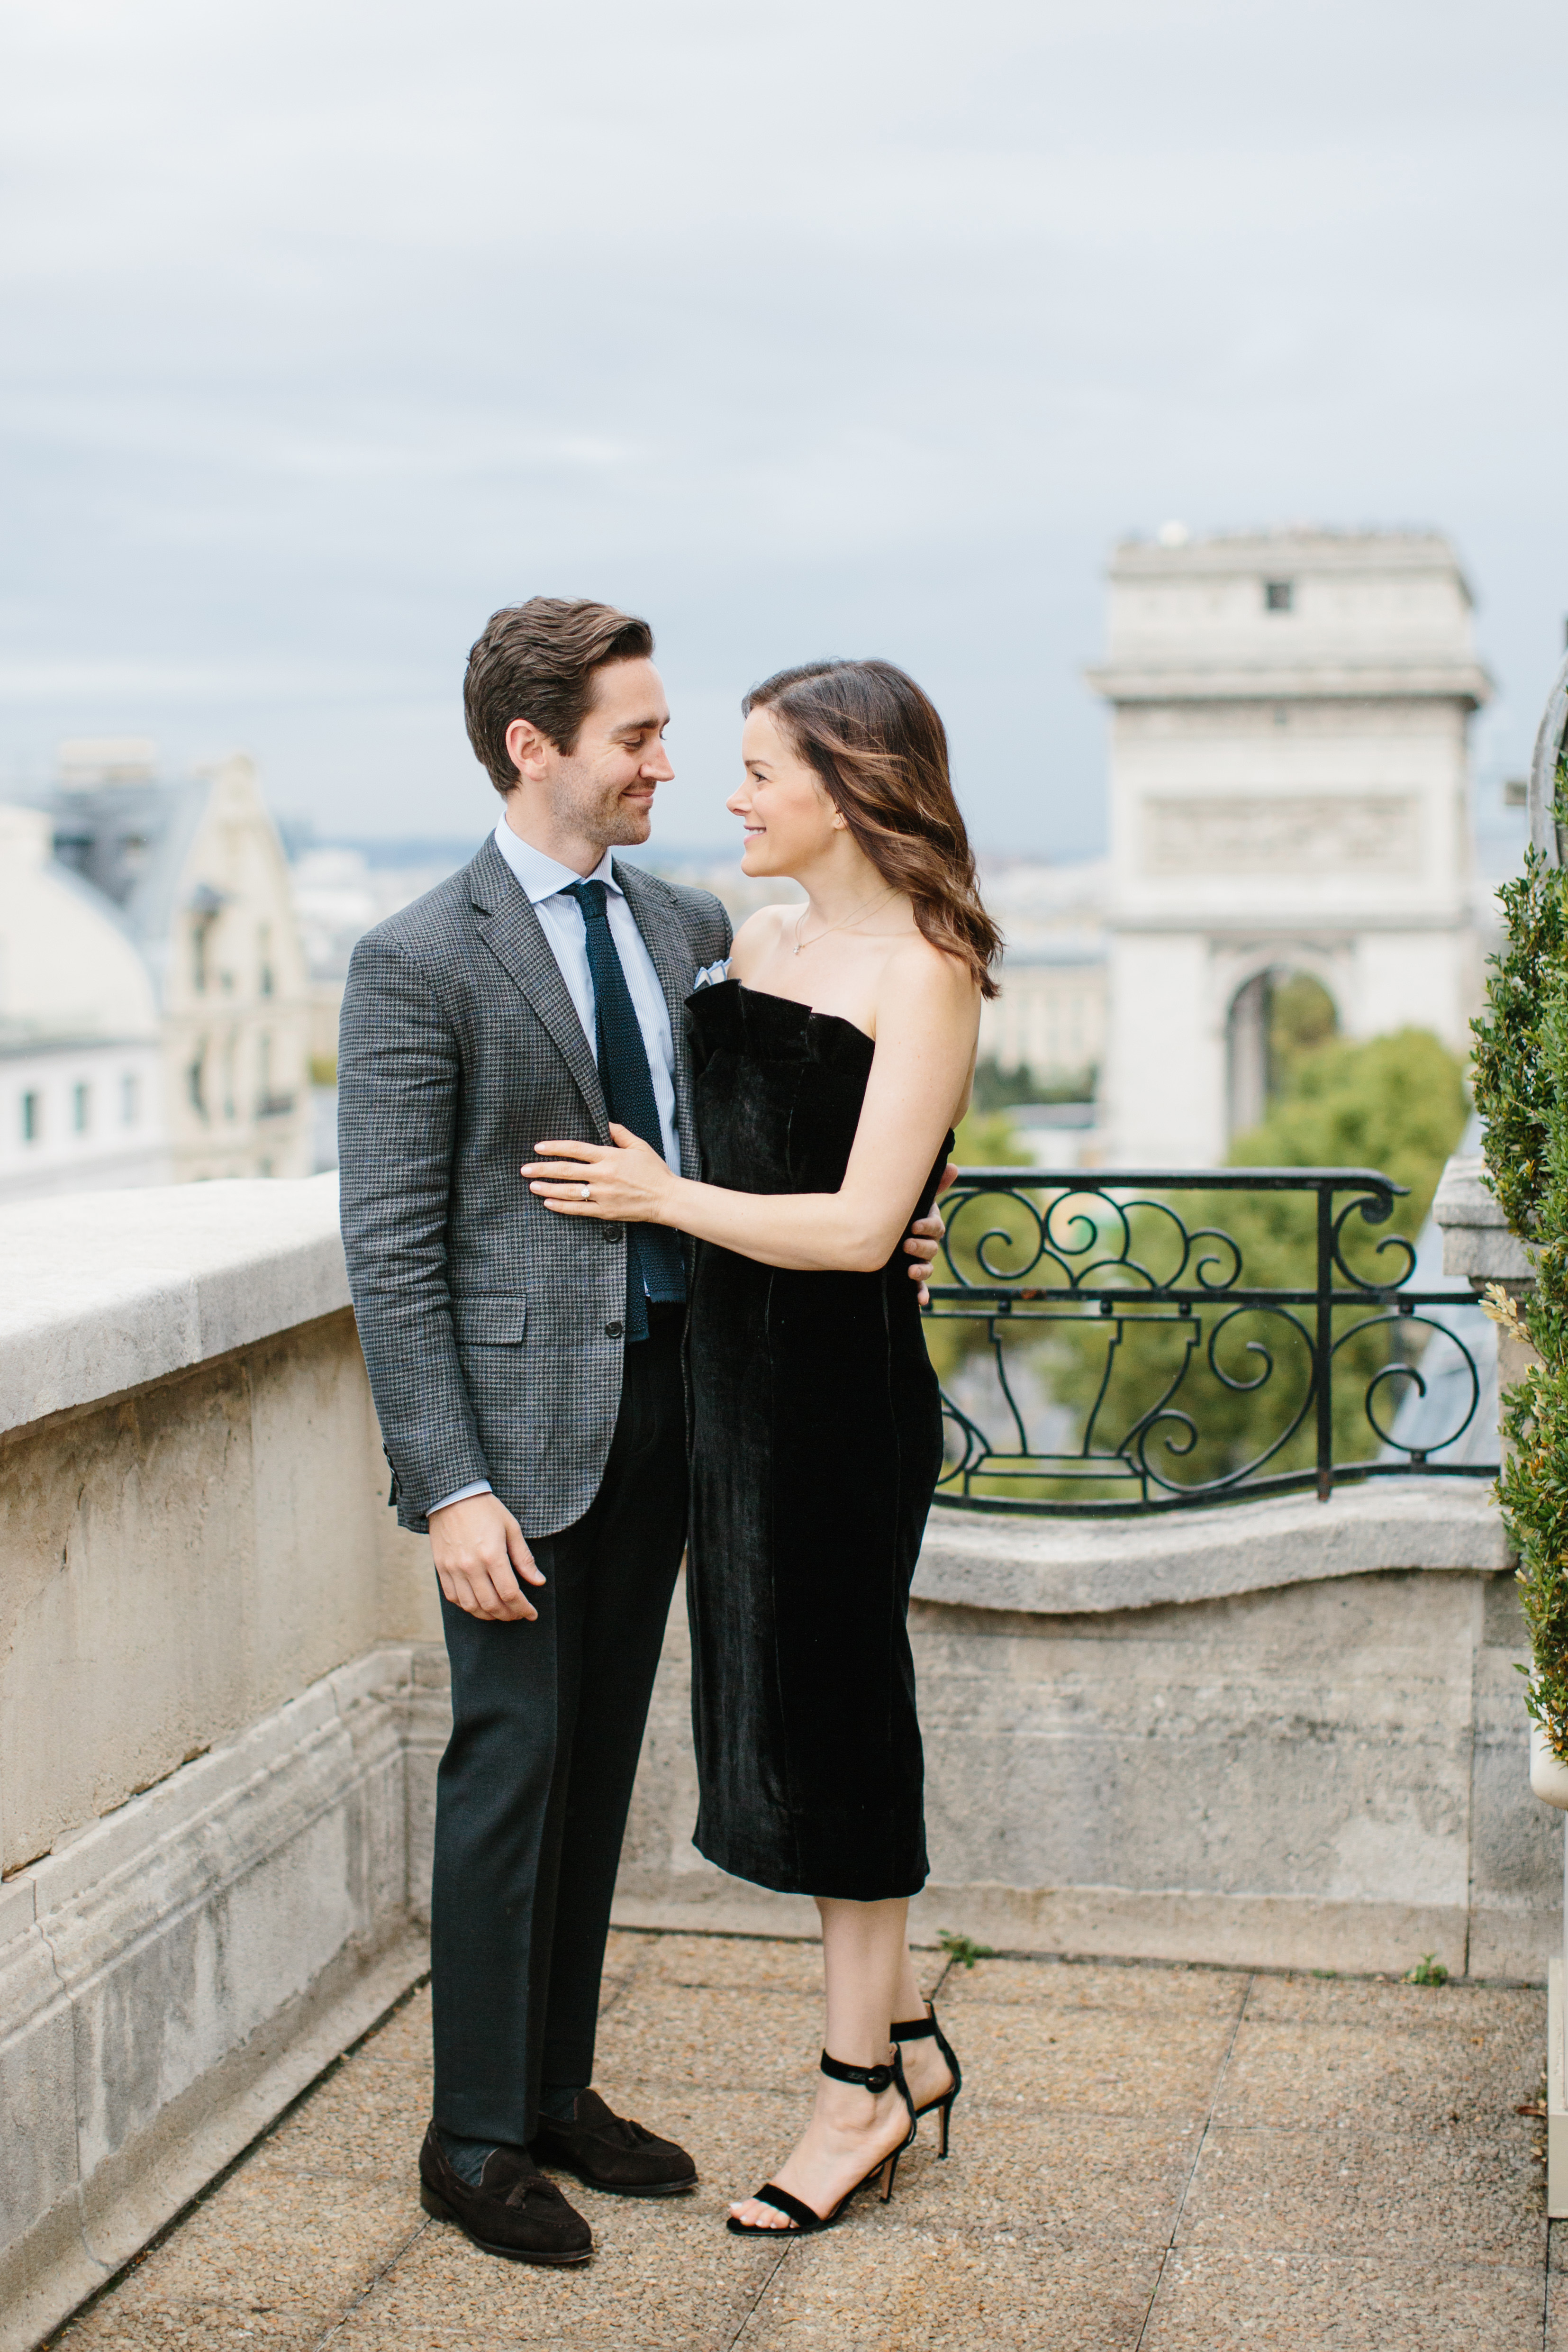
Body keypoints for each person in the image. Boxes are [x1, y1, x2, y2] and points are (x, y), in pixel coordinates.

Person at [336, 602, 945, 2268]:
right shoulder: (417, 956)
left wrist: (904, 1216)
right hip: (517, 1445)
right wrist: (448, 1484)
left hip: (694, 1412)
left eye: (678, 736)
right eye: (639, 737)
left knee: (600, 1765)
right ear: (536, 749)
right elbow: (391, 1249)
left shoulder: (694, 925)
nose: (669, 764)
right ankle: (470, 2140)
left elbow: (798, 1124)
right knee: (508, 1767)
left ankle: (557, 2095)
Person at [522, 655, 999, 2234]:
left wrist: (667, 1199)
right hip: (734, 1396)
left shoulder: (926, 965)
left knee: (842, 1737)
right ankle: (908, 2040)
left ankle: (855, 2090)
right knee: (788, 1733)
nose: (729, 797)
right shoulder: (756, 937)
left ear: (851, 786)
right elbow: (834, 1165)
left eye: (757, 771)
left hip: (843, 1410)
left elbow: (866, 1221)